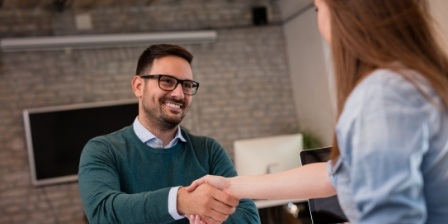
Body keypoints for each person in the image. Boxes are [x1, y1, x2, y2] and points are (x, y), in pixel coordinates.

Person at [187, 0, 448, 223]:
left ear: (345, 13)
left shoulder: (383, 94)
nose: (319, 22)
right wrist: (232, 186)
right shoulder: (420, 80)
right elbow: (334, 175)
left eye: (317, 9)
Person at [78, 44, 260, 224]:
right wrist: (180, 201)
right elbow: (103, 213)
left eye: (187, 85)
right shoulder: (103, 150)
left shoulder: (208, 150)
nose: (179, 94)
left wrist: (204, 215)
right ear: (138, 86)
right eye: (167, 81)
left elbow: (249, 217)